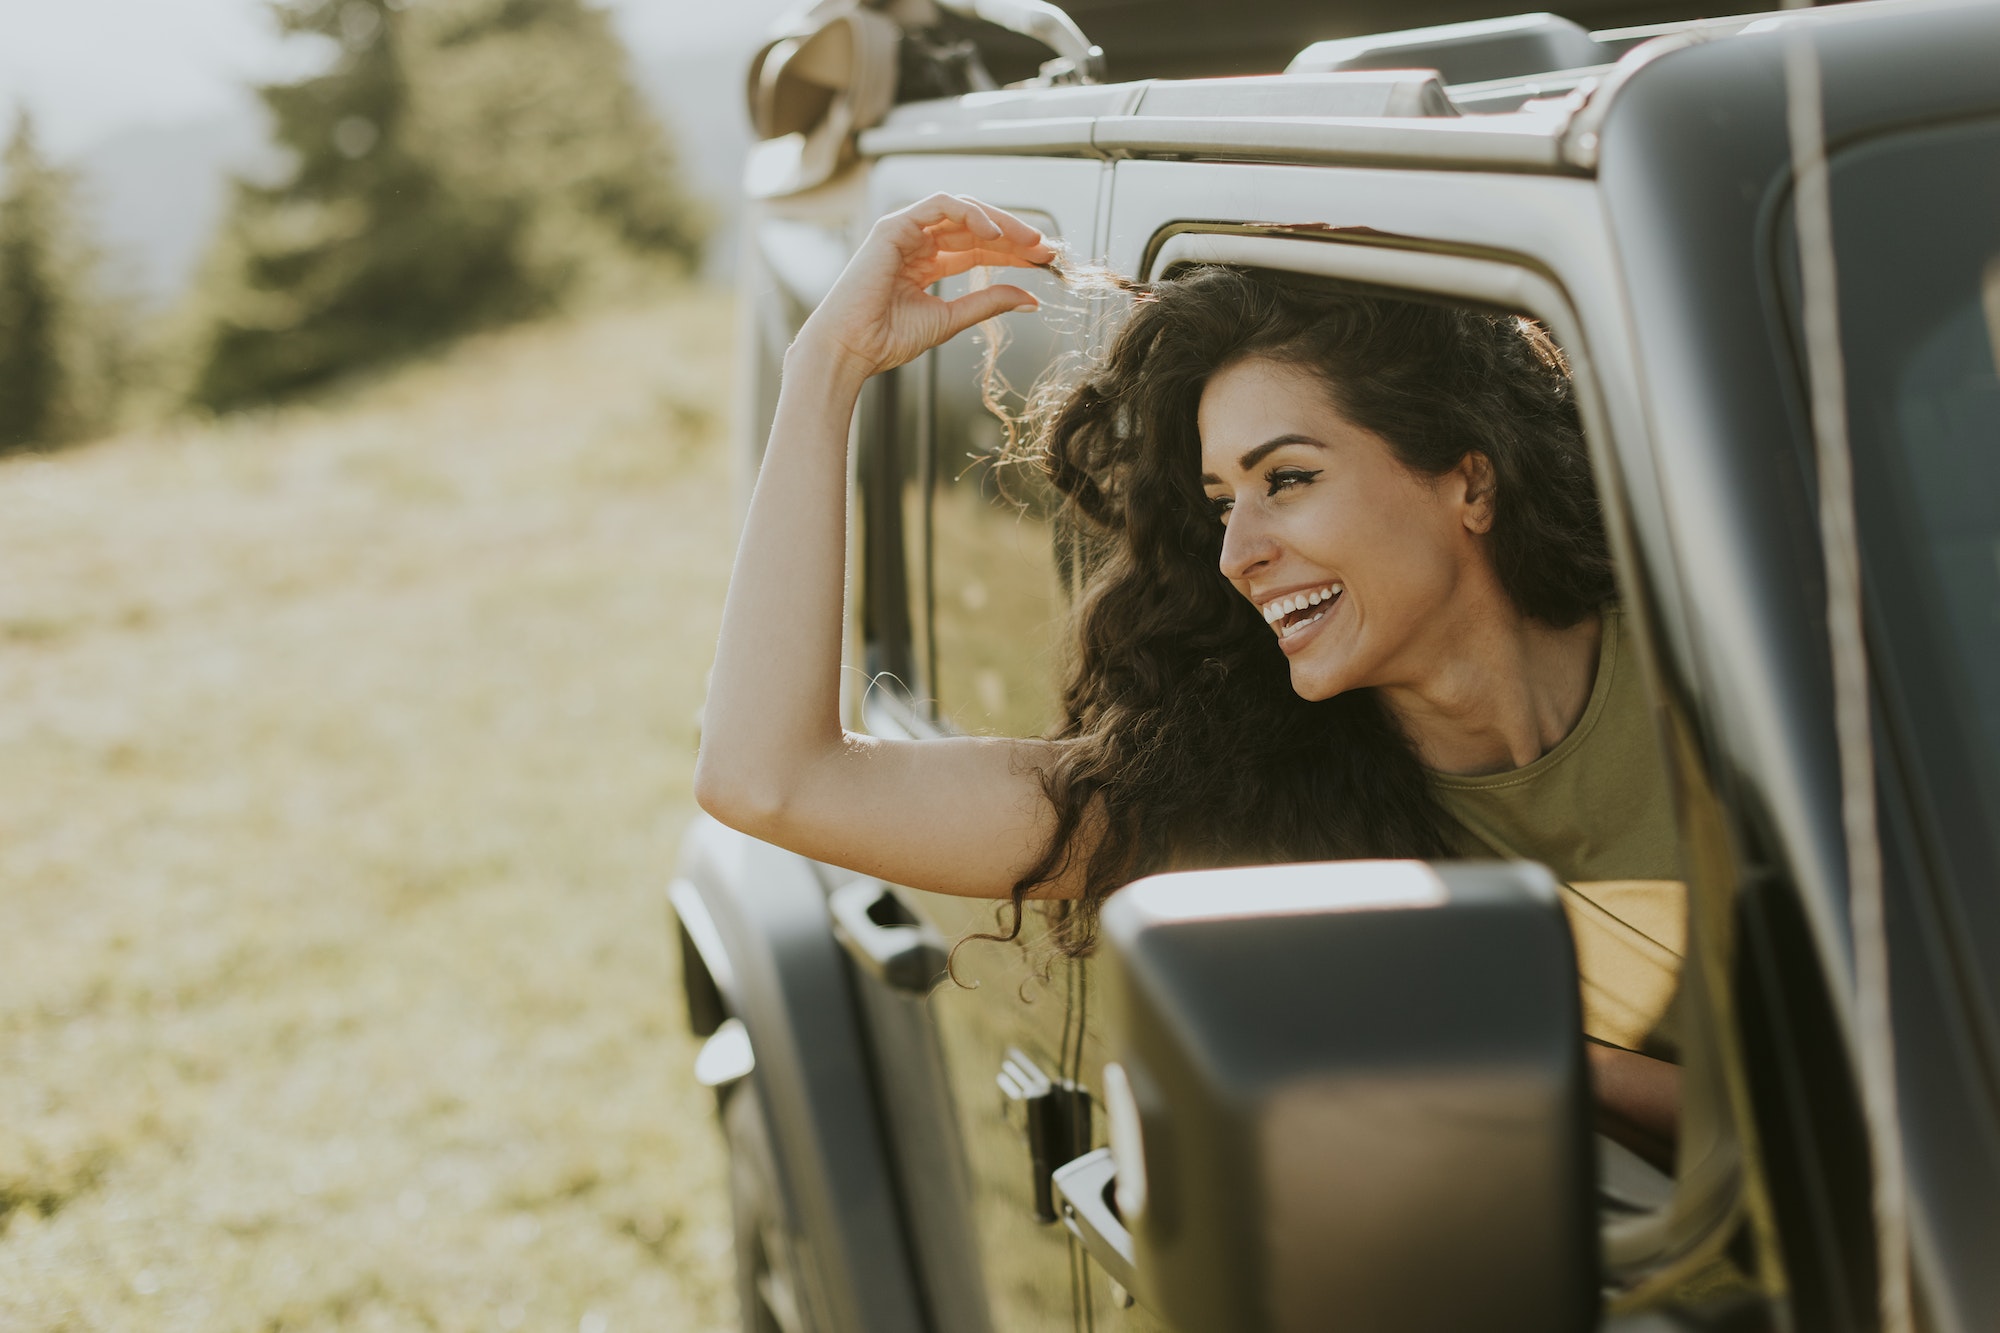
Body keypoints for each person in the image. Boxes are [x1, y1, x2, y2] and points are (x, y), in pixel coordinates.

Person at [695, 194, 1684, 1165]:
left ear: (1469, 481)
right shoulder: (1248, 805)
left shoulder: (1718, 672)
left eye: (1286, 479)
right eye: (1220, 503)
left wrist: (1520, 1055)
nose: (1237, 553)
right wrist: (824, 366)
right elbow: (769, 777)